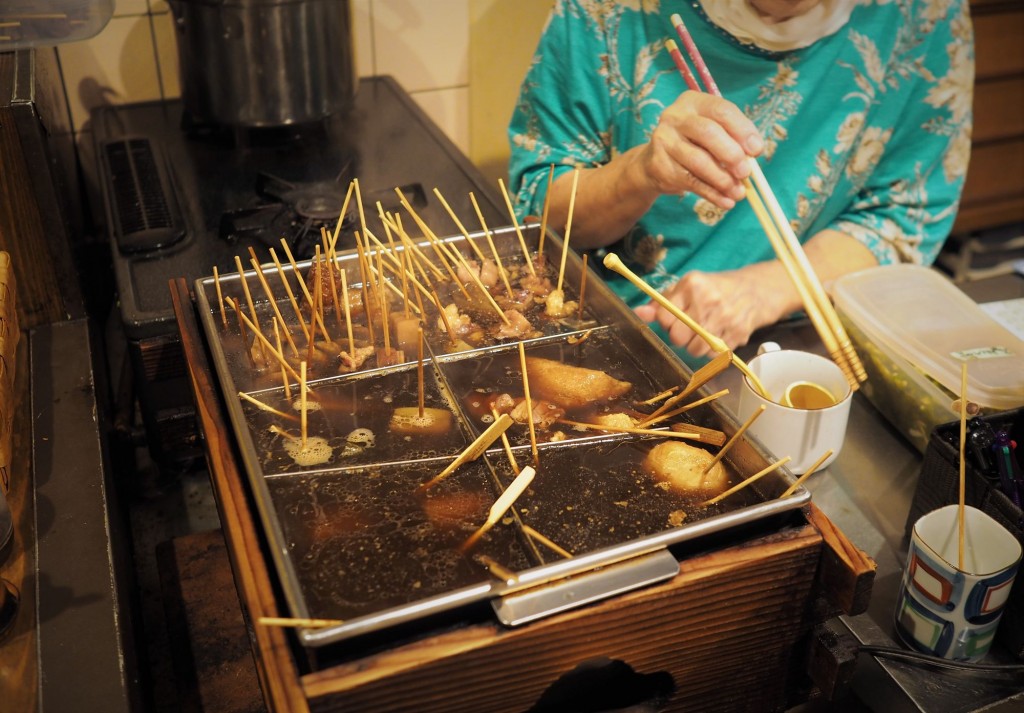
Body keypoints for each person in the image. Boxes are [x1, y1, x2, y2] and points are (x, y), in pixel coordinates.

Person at [508, 0, 973, 358]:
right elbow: (539, 211)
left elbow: (904, 214)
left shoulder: (923, 15)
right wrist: (640, 171)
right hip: (607, 333)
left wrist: (765, 289)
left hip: (804, 342)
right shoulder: (610, 12)